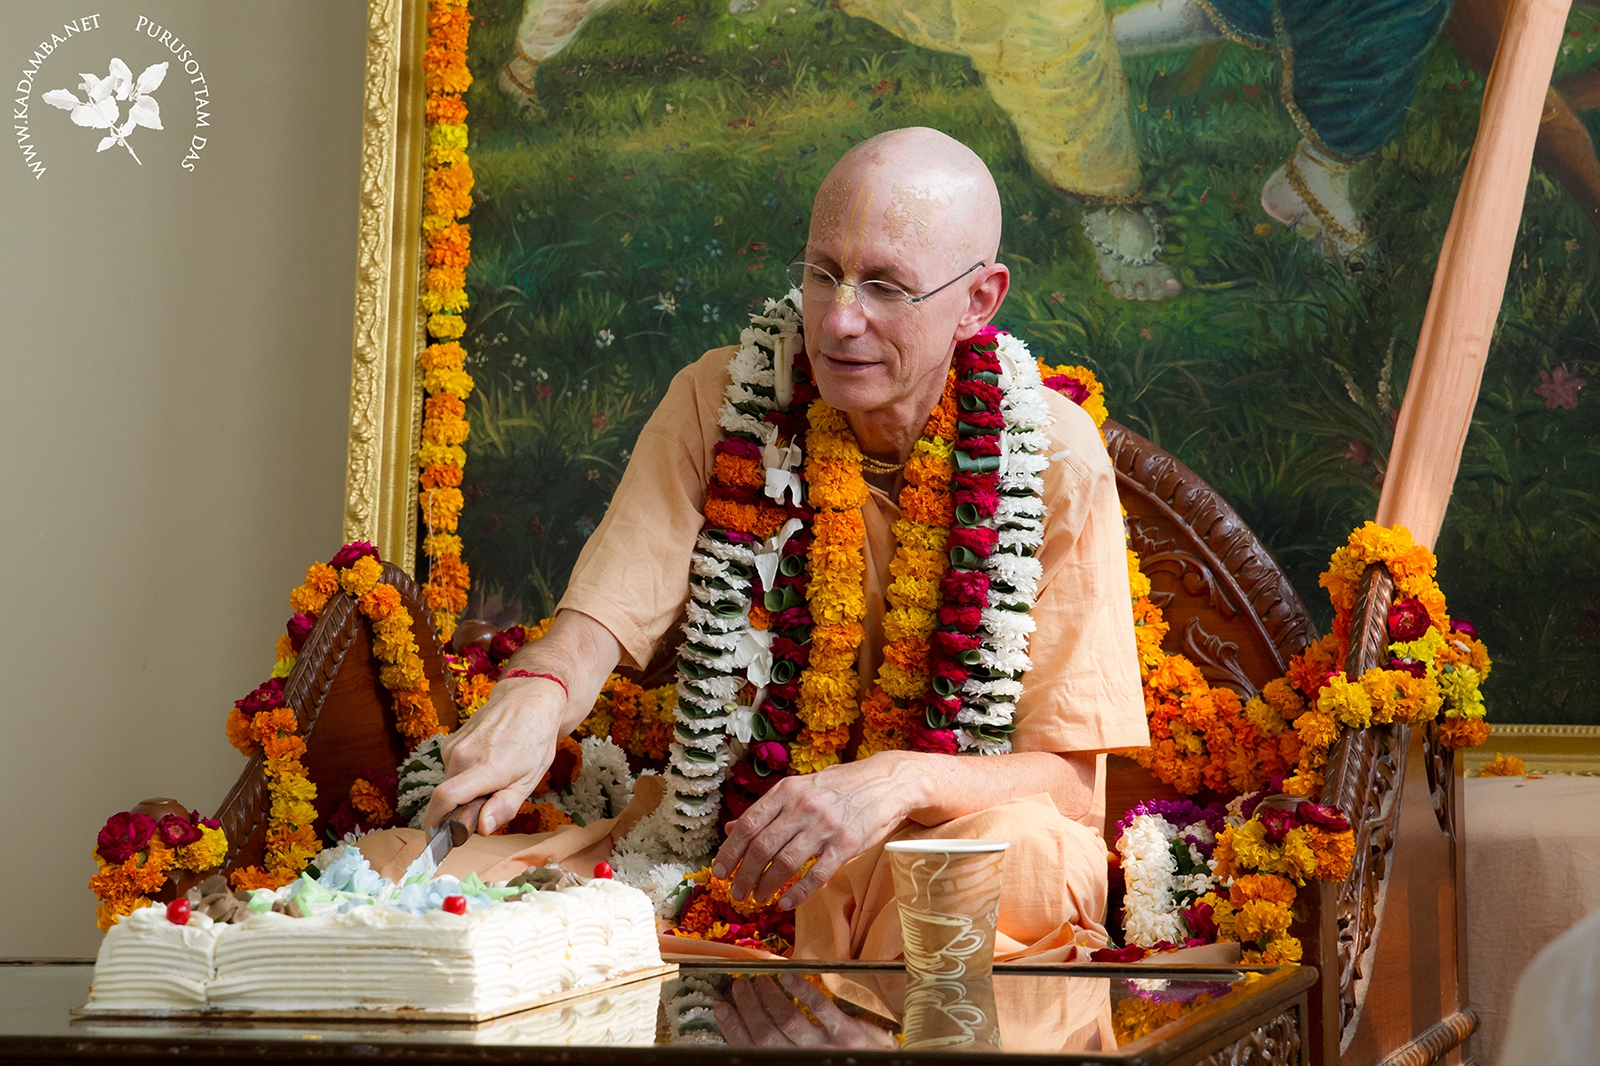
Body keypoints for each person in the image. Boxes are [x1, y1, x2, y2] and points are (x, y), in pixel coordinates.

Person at [425, 127, 1149, 960]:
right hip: (744, 841)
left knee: (1015, 863)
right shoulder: (722, 400)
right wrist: (538, 694)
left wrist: (896, 781)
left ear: (978, 301)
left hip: (933, 849)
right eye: (822, 273)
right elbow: (604, 619)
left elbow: (1071, 789)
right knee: (436, 876)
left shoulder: (1049, 453)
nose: (838, 320)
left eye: (886, 287)